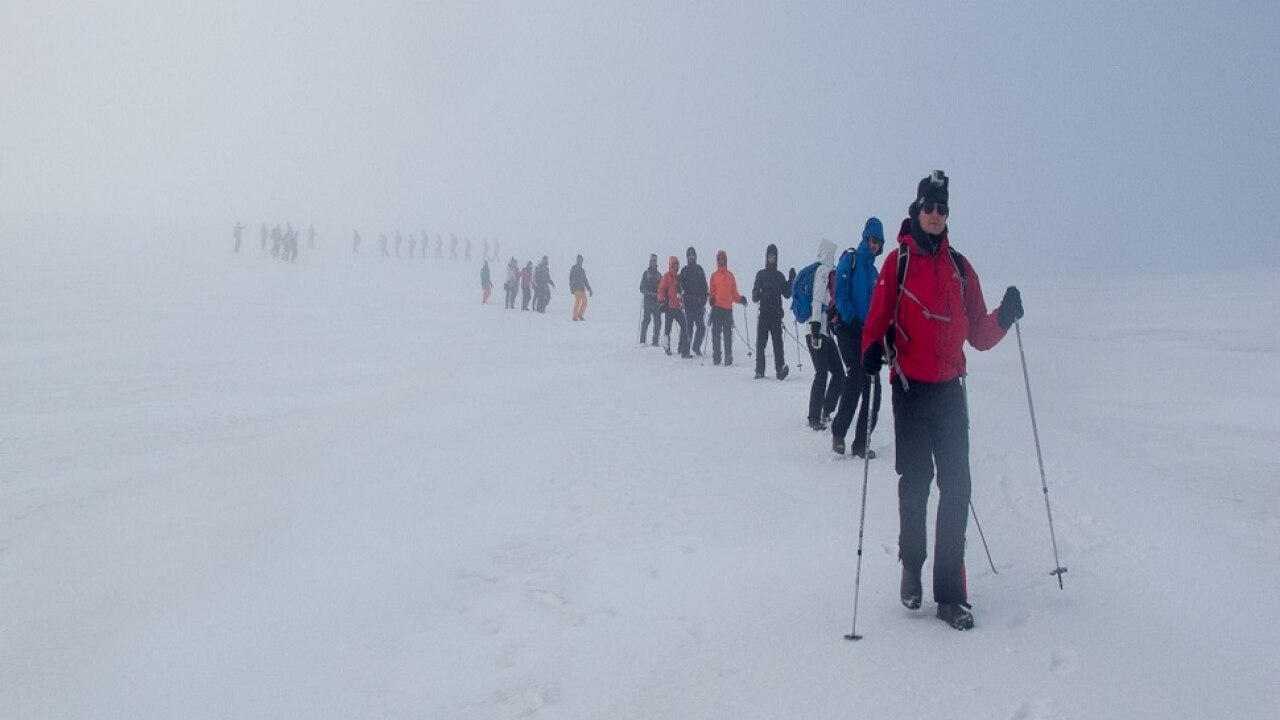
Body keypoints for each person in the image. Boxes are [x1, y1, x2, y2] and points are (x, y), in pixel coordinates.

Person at [862, 170, 1024, 631]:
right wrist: (871, 349)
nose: (936, 215)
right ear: (917, 209)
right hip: (910, 391)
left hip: (951, 393)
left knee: (959, 487)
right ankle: (911, 566)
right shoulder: (898, 263)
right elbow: (876, 323)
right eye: (929, 207)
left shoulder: (959, 267)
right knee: (916, 483)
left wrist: (1005, 317)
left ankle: (950, 594)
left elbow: (978, 334)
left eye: (943, 208)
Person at [830, 218, 885, 458]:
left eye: (878, 243)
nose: (874, 246)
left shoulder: (874, 272)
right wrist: (849, 316)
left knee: (873, 385)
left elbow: (879, 305)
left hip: (868, 332)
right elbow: (840, 293)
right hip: (848, 328)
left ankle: (861, 442)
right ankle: (839, 432)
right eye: (873, 240)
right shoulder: (850, 260)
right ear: (865, 238)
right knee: (855, 376)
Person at [805, 238, 843, 430]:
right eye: (833, 254)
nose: (834, 258)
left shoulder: (828, 272)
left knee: (839, 373)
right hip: (816, 330)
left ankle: (825, 410)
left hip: (824, 331)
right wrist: (814, 326)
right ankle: (814, 416)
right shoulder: (822, 272)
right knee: (822, 373)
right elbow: (817, 299)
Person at [751, 243, 793, 380]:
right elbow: (754, 296)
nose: (772, 259)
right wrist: (762, 291)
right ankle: (760, 370)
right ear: (766, 257)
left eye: (774, 256)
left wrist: (791, 280)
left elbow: (787, 294)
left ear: (777, 258)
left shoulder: (780, 276)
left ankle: (780, 369)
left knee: (778, 343)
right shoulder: (760, 275)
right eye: (770, 256)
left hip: (776, 315)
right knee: (761, 343)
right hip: (764, 313)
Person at [707, 250, 748, 366]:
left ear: (725, 260)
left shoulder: (730, 276)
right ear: (717, 261)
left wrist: (741, 299)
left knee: (728, 333)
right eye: (719, 259)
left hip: (728, 309)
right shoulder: (714, 276)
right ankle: (717, 356)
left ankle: (728, 355)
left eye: (722, 258)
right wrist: (711, 299)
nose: (721, 260)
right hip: (717, 308)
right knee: (716, 333)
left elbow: (734, 293)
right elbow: (711, 292)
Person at [678, 246, 708, 358]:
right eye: (689, 255)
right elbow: (679, 285)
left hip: (699, 303)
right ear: (687, 257)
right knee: (688, 327)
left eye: (693, 255)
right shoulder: (684, 270)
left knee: (701, 327)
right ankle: (685, 351)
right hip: (688, 303)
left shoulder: (700, 269)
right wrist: (680, 292)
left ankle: (696, 346)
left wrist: (704, 299)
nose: (691, 257)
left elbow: (705, 286)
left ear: (695, 256)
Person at [657, 255, 686, 356]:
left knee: (684, 325)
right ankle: (667, 346)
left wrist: (682, 301)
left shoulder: (678, 278)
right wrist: (661, 301)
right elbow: (661, 289)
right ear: (671, 265)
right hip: (669, 307)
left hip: (677, 307)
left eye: (677, 265)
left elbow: (681, 291)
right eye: (674, 265)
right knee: (667, 328)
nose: (676, 267)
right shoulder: (666, 277)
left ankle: (682, 347)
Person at [638, 254, 663, 345]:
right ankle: (642, 340)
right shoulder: (646, 274)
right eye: (652, 260)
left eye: (655, 260)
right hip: (648, 299)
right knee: (646, 319)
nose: (653, 262)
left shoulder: (659, 275)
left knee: (658, 321)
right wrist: (645, 290)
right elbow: (641, 287)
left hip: (656, 300)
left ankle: (655, 341)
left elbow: (662, 287)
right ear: (650, 262)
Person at [569, 254, 593, 320]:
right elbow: (571, 278)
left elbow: (585, 280)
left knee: (585, 302)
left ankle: (580, 315)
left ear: (582, 261)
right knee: (577, 302)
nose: (580, 261)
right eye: (578, 259)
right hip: (576, 288)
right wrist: (571, 287)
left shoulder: (582, 270)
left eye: (581, 260)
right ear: (577, 260)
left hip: (582, 289)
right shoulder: (574, 268)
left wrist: (589, 289)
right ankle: (575, 316)